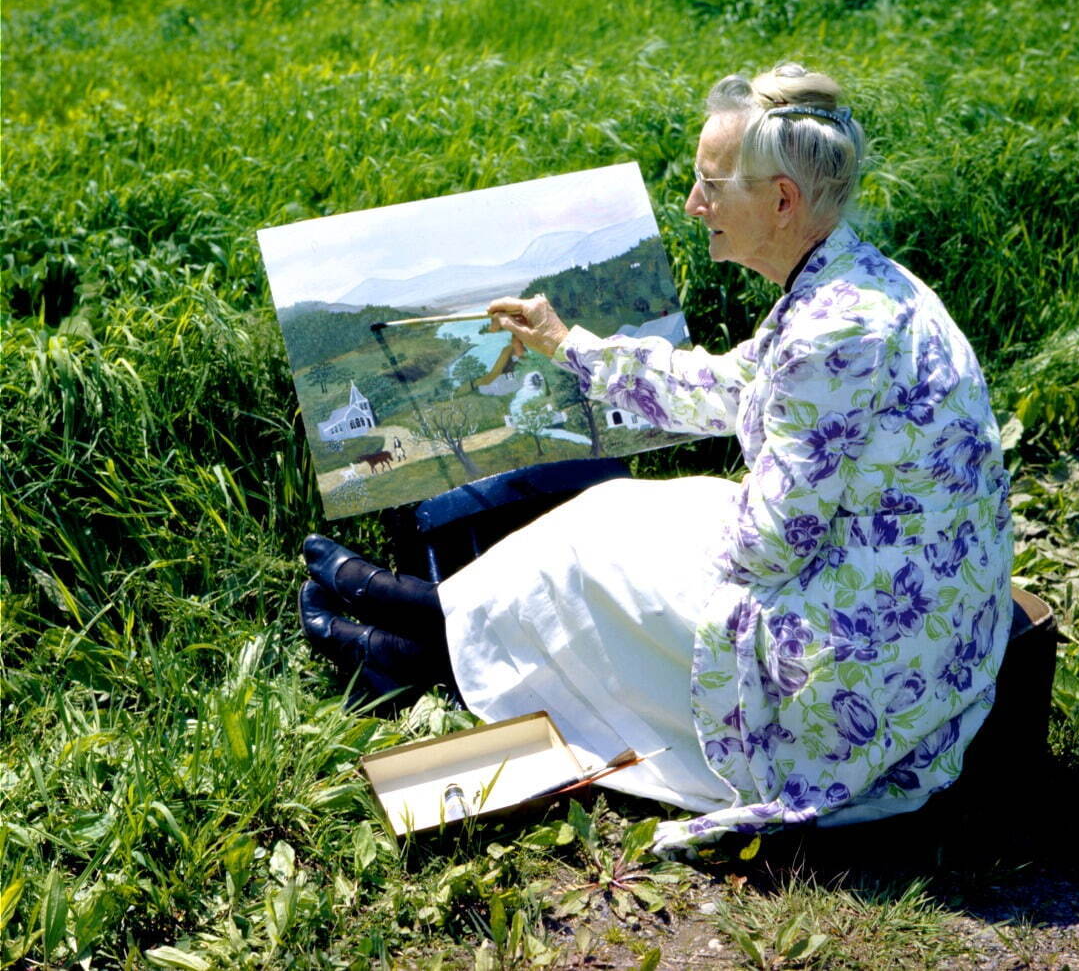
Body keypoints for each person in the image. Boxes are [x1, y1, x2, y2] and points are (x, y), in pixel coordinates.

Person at [299, 62, 1013, 853]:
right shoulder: (857, 286)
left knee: (596, 552)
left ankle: (423, 636)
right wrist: (565, 343)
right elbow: (724, 388)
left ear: (781, 201)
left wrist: (654, 536)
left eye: (711, 184)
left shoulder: (834, 335)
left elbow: (770, 545)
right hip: (916, 621)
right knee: (618, 518)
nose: (693, 204)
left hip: (864, 680)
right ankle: (430, 629)